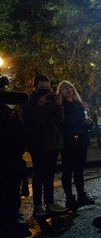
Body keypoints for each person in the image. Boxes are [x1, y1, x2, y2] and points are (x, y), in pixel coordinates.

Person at [22, 75, 67, 217]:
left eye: (47, 88)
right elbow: (29, 122)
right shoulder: (29, 102)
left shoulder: (51, 100)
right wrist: (38, 106)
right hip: (38, 144)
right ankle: (37, 206)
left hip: (52, 143)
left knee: (49, 175)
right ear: (35, 87)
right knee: (39, 175)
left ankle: (49, 203)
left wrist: (59, 105)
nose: (45, 92)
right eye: (42, 89)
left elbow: (60, 119)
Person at [57, 81, 94, 209]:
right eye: (63, 88)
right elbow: (64, 124)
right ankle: (69, 198)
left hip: (81, 140)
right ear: (60, 92)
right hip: (68, 142)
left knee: (79, 170)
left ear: (73, 89)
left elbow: (85, 120)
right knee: (67, 171)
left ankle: (81, 196)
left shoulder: (79, 104)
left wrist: (88, 122)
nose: (67, 90)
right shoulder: (61, 106)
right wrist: (82, 124)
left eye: (69, 88)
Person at [0, 88, 27, 238]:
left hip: (12, 159)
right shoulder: (6, 114)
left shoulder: (8, 112)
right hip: (8, 159)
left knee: (11, 193)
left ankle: (11, 222)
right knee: (8, 193)